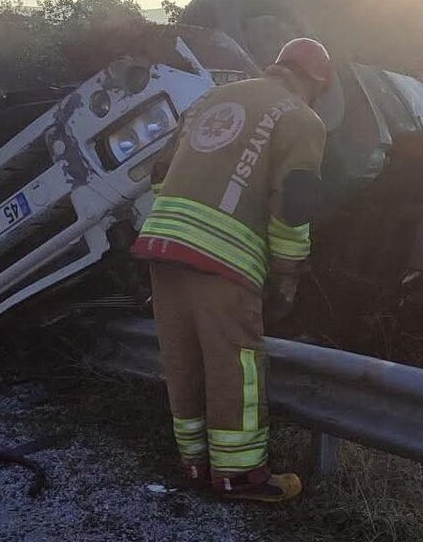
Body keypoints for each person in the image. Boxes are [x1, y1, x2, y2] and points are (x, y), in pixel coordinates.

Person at [133, 38, 332, 502]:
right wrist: (287, 268)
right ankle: (239, 476)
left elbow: (160, 169)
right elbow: (296, 200)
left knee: (182, 357)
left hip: (163, 242)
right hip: (221, 256)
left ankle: (196, 463)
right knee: (235, 363)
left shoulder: (212, 99)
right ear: (316, 83)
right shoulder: (303, 119)